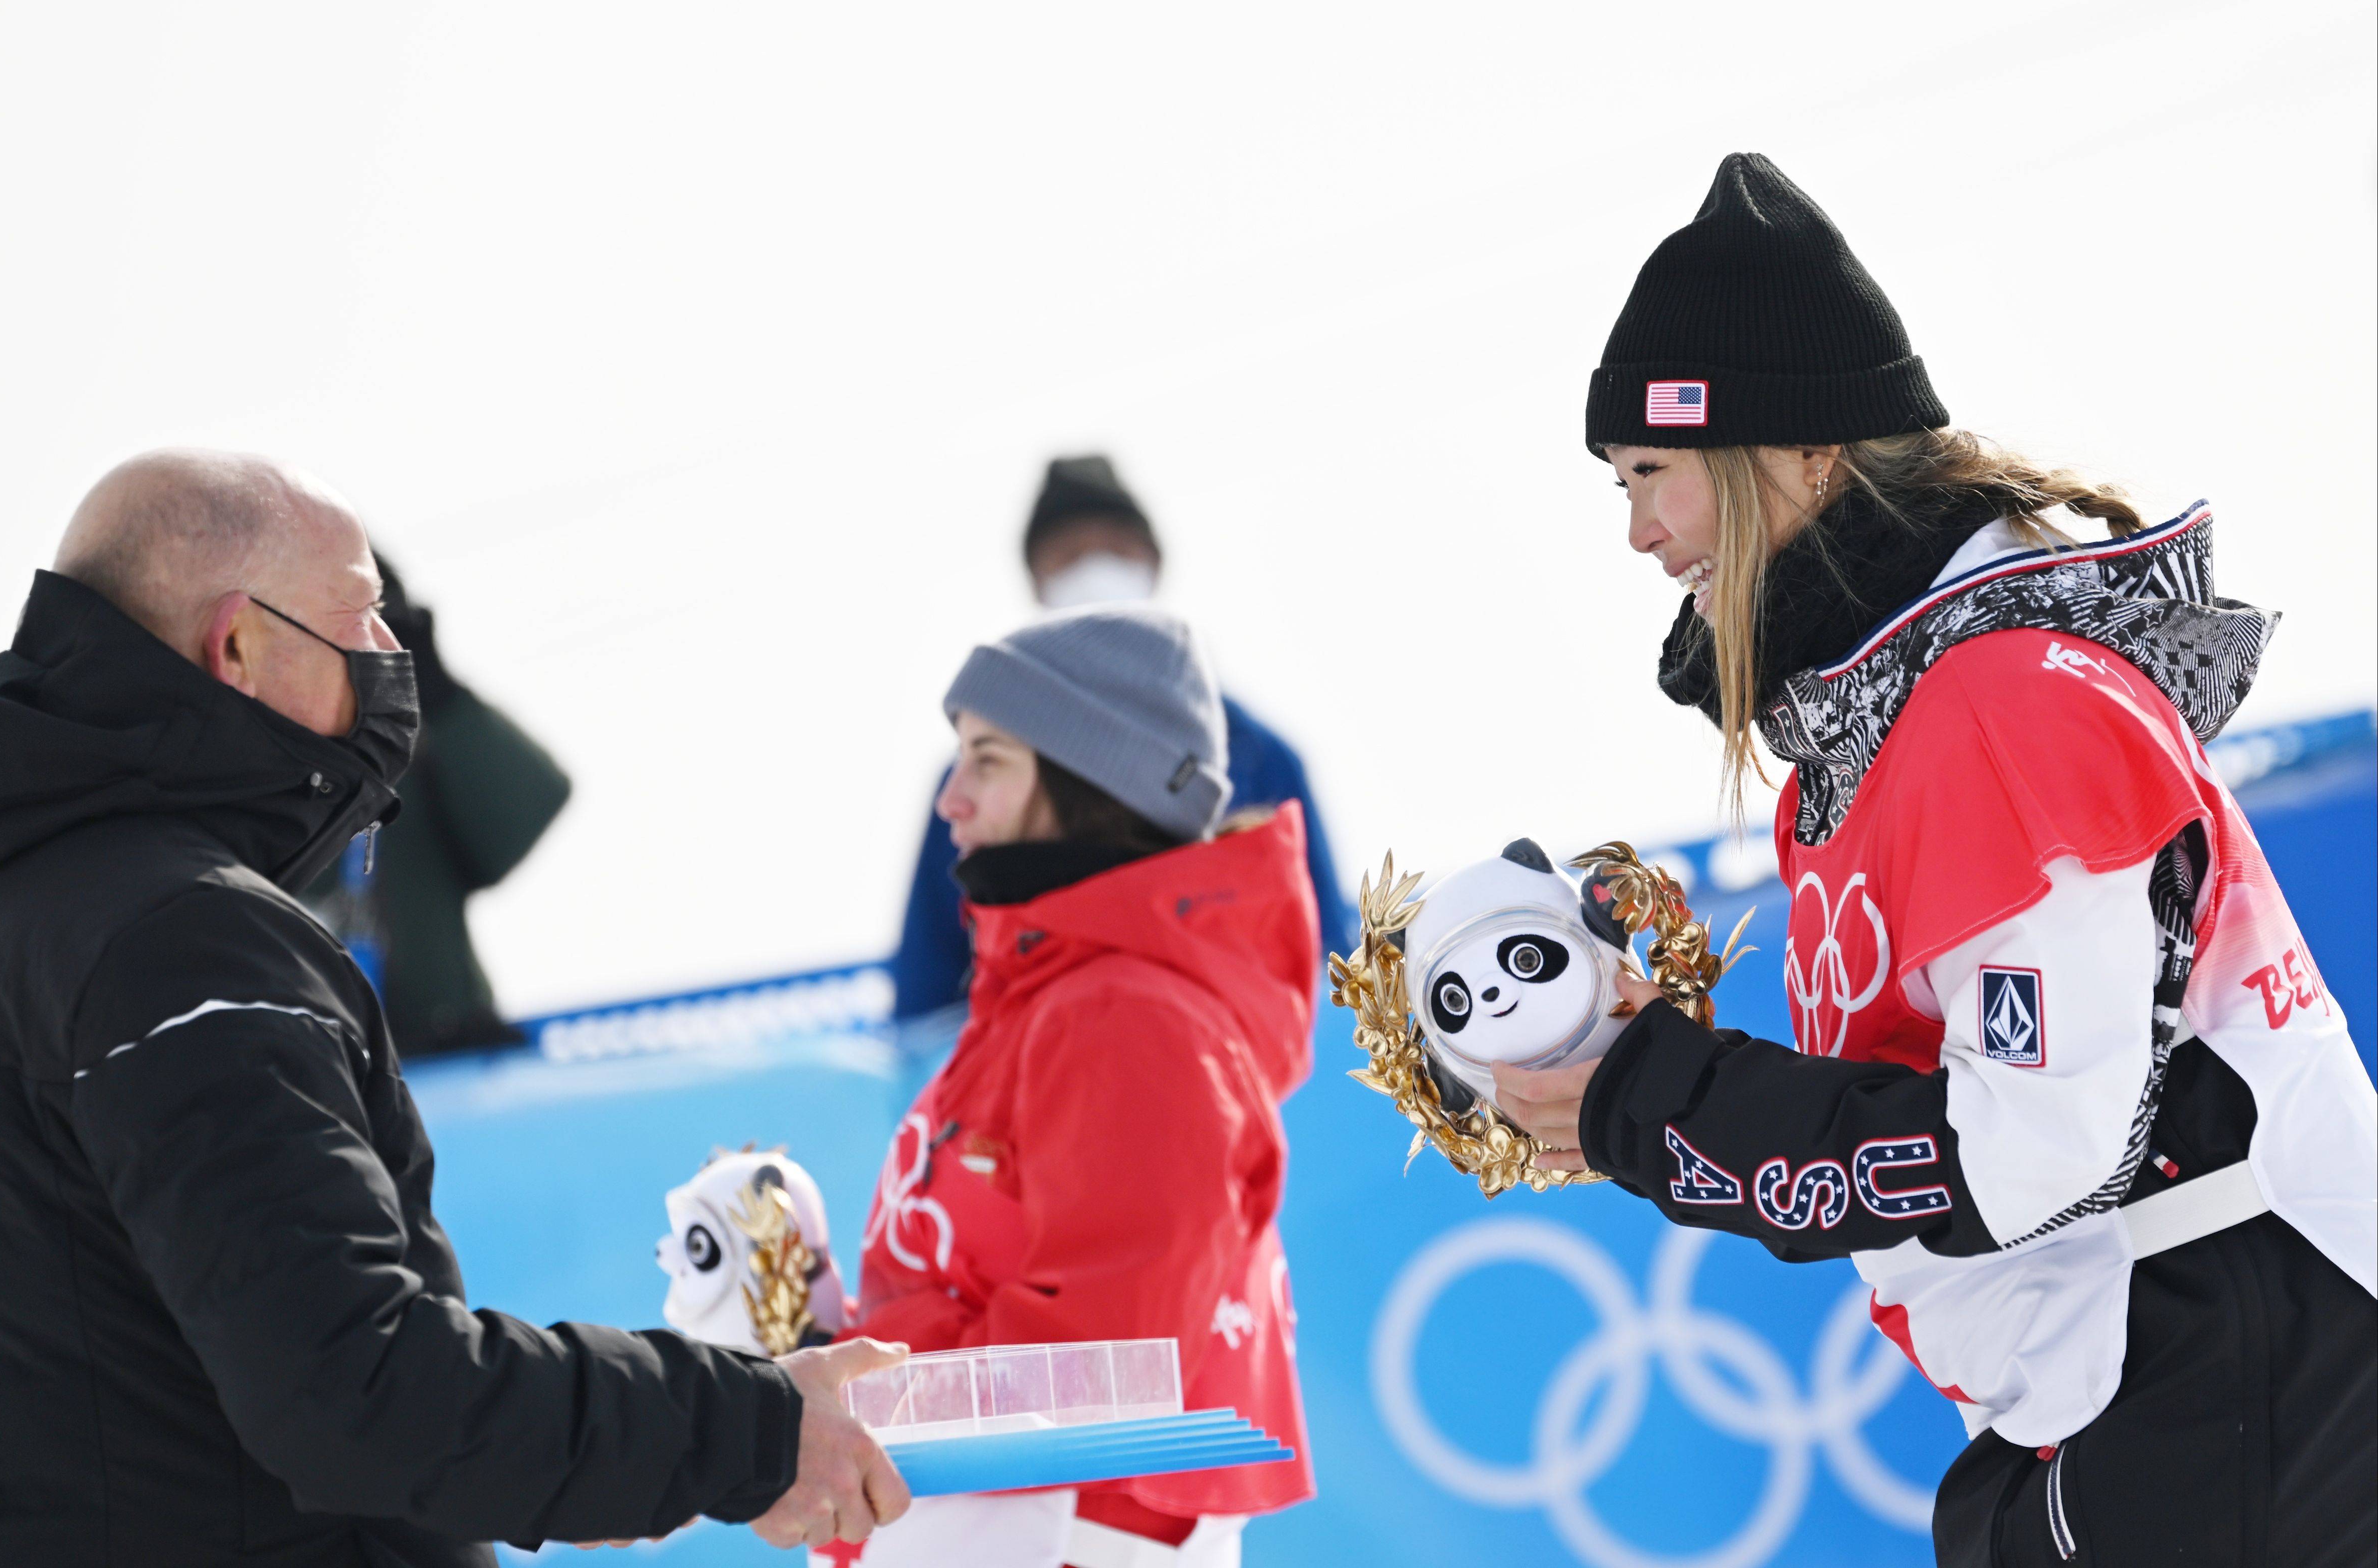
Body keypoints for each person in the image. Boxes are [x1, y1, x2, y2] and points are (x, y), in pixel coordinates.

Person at [1493, 154, 2375, 1566]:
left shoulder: (1999, 700)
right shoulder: (1876, 732)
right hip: (2123, 1393)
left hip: (2232, 1364)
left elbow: (2032, 1148)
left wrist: (1659, 1100)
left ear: (1799, 453)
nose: (1639, 533)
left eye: (1653, 473)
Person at [0, 450, 908, 1565]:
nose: (391, 662)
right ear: (240, 645)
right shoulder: (182, 942)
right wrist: (748, 1429)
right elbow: (363, 1393)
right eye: (362, 620)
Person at [837, 605, 1316, 1567]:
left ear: (1086, 780)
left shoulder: (1127, 1018)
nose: (950, 800)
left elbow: (1097, 1379)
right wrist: (809, 1341)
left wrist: (842, 1398)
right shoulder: (1042, 997)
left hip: (1061, 1537)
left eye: (988, 759)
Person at [887, 456, 1351, 1024]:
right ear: (1037, 580)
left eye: (1116, 548)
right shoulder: (977, 778)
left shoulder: (1260, 757)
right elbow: (926, 995)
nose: (1094, 567)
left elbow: (1329, 972)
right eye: (1070, 554)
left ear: (1153, 564)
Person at [301, 554, 573, 1054]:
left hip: (453, 1069)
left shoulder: (403, 767)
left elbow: (522, 817)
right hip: (311, 1089)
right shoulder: (213, 785)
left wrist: (441, 697)